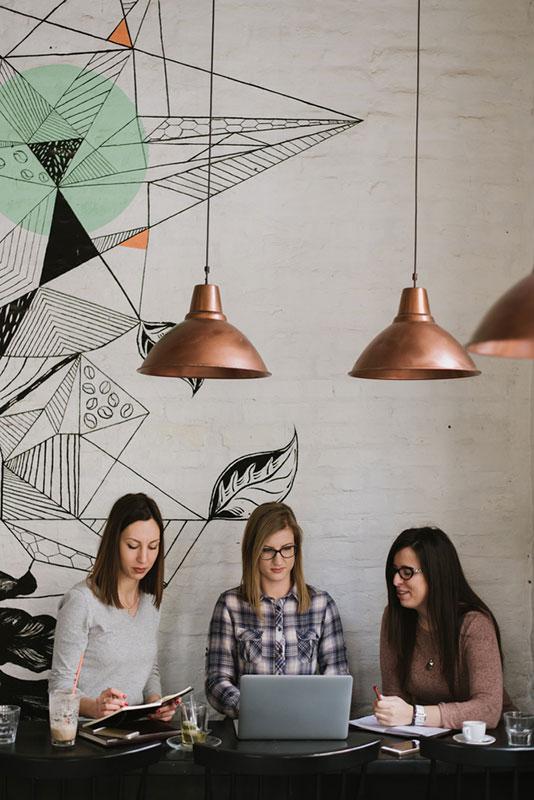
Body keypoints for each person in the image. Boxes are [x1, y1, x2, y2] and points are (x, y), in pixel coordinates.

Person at [205, 501, 349, 718]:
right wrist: (250, 708)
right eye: (268, 550)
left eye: (287, 549)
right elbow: (216, 680)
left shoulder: (321, 605)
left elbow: (337, 678)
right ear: (253, 550)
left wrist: (310, 710)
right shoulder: (230, 605)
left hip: (305, 724)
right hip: (249, 725)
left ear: (296, 549)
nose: (278, 559)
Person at [50, 493, 178, 720]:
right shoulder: (82, 601)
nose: (143, 558)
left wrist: (154, 703)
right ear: (113, 543)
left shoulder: (150, 602)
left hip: (136, 733)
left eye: (153, 547)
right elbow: (60, 687)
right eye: (132, 546)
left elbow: (149, 669)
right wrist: (95, 707)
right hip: (88, 735)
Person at [374, 527, 508, 730]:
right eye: (394, 571)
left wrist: (415, 714)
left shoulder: (474, 624)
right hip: (427, 740)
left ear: (436, 574)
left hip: (485, 745)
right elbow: (396, 696)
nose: (396, 581)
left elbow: (488, 710)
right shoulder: (394, 618)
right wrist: (390, 711)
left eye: (407, 572)